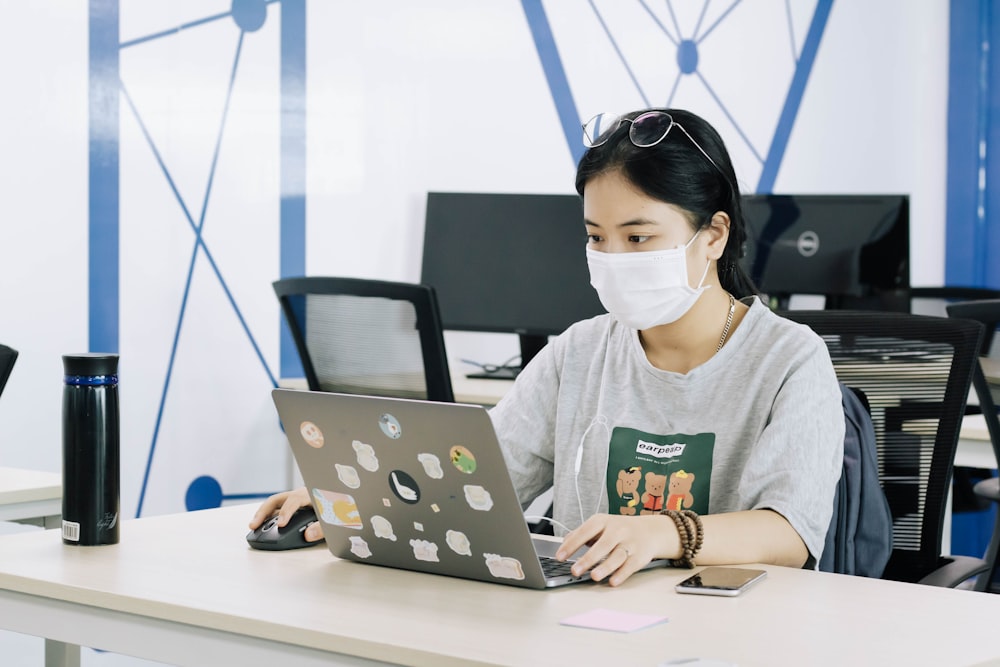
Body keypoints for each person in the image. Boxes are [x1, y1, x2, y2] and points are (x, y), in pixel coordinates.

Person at [250, 108, 845, 587]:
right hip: (582, 625)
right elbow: (479, 480)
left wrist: (662, 533)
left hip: (724, 633)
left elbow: (789, 533)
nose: (613, 258)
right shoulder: (580, 351)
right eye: (596, 237)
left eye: (639, 237)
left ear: (712, 235)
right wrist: (351, 501)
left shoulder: (790, 358)